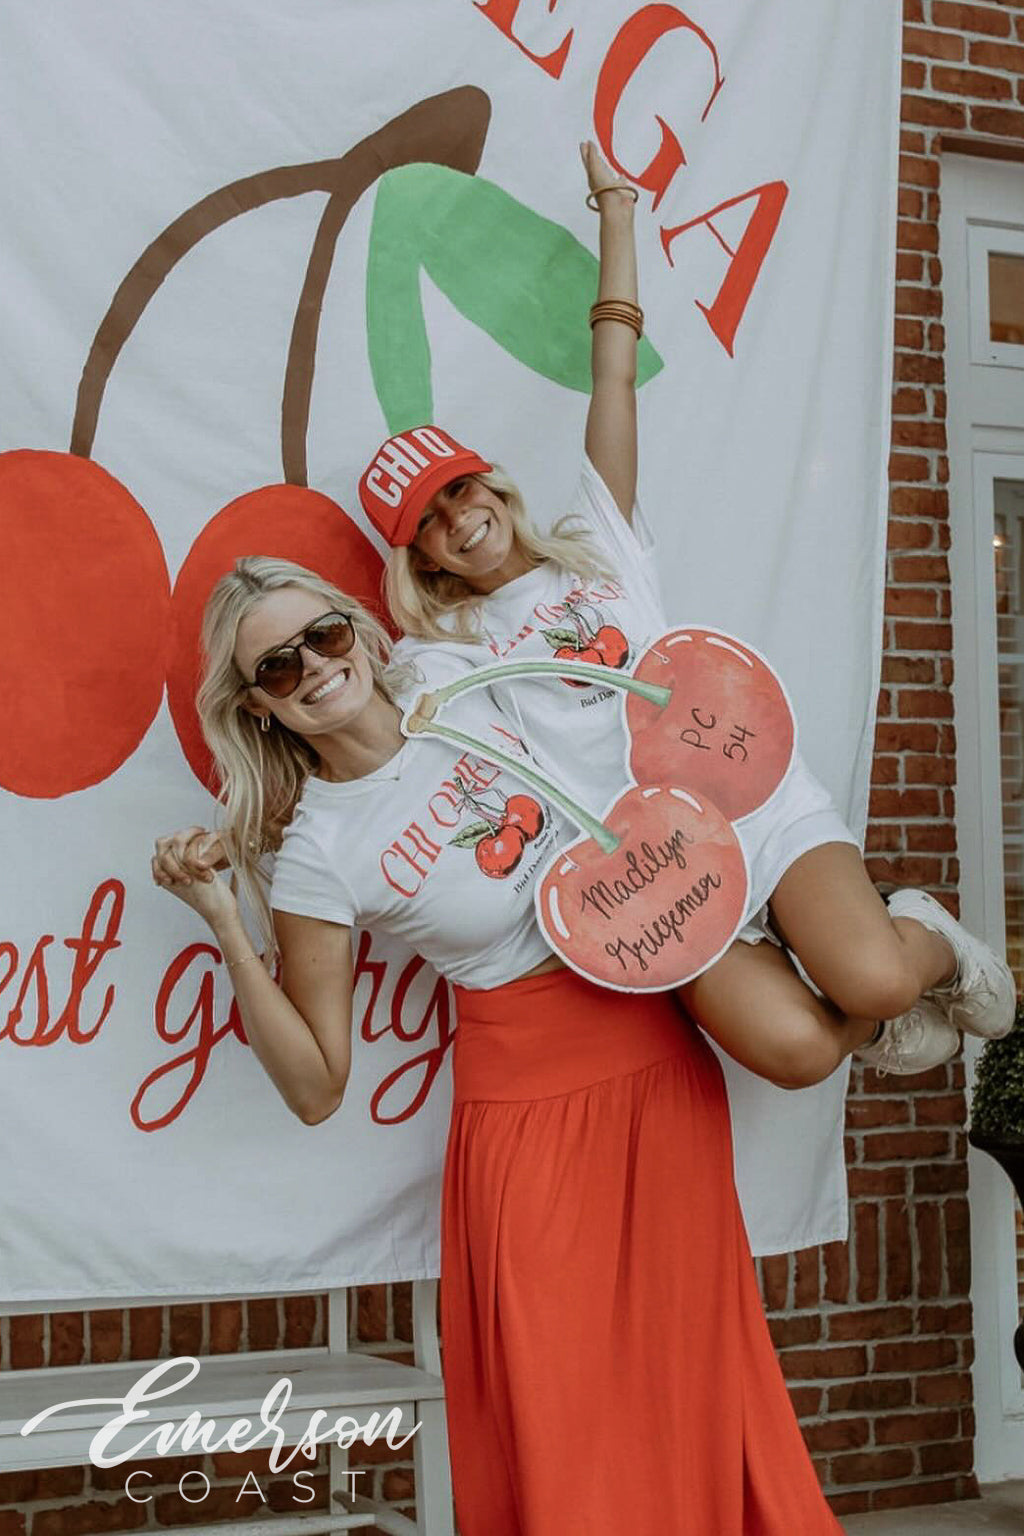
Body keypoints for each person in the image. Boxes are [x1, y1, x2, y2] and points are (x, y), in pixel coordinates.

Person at [153, 554, 847, 1533]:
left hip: (652, 1053)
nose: (311, 667)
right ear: (259, 705)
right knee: (562, 1407)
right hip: (525, 1123)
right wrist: (225, 920)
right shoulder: (320, 849)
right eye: (275, 667)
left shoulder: (454, 680)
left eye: (323, 635)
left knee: (692, 1369)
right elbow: (315, 1087)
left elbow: (615, 727)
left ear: (356, 628)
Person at [358, 140, 1016, 1087]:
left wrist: (617, 218)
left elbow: (614, 373)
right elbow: (368, 734)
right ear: (418, 551)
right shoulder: (448, 650)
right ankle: (863, 1030)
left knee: (872, 978)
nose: (460, 519)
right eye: (431, 521)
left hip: (746, 793)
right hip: (655, 872)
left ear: (491, 484)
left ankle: (926, 942)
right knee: (795, 1055)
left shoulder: (599, 541)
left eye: (460, 492)